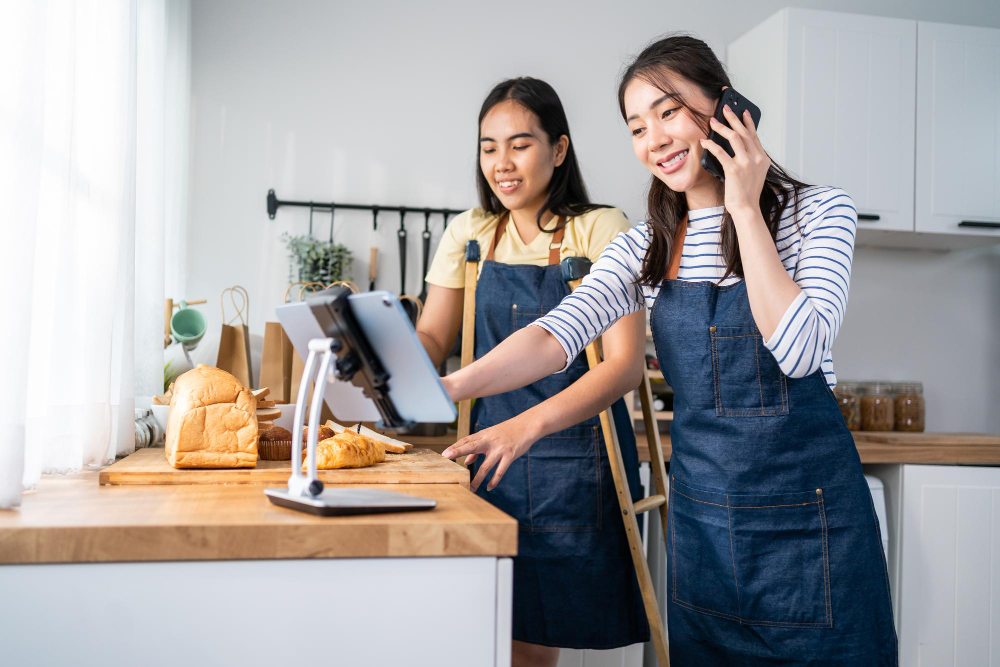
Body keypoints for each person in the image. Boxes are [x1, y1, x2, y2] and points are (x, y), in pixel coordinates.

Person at [441, 36, 898, 665]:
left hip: (812, 536)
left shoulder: (819, 213)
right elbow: (554, 336)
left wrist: (742, 204)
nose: (653, 138)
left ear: (725, 106)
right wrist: (451, 389)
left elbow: (797, 349)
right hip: (706, 534)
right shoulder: (644, 247)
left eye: (668, 111)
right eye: (636, 126)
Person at [415, 77, 650, 667]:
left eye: (520, 144)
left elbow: (624, 367)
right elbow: (432, 338)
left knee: (539, 639)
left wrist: (527, 425)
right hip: (486, 461)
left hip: (577, 465)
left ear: (560, 149)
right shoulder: (468, 232)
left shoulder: (599, 228)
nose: (502, 163)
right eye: (489, 148)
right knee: (489, 630)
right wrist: (378, 356)